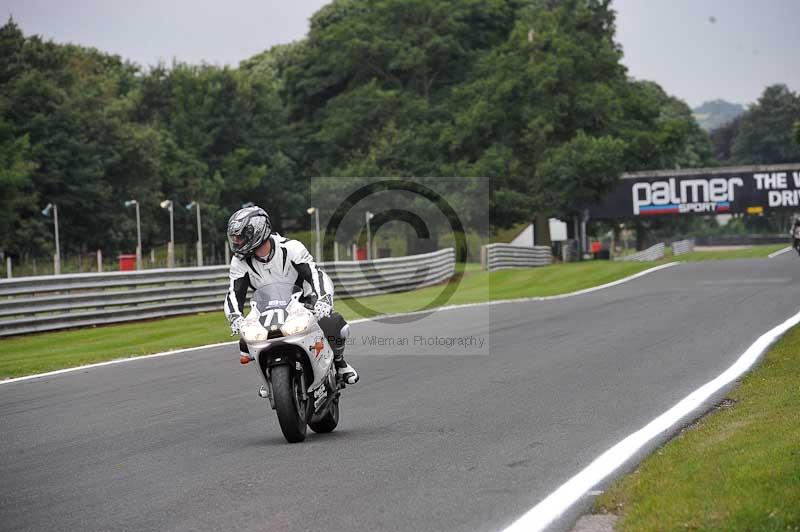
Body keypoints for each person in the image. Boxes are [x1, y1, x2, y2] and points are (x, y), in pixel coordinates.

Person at [223, 205, 359, 384]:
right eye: (235, 238)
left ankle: (339, 363)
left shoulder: (291, 248)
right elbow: (234, 293)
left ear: (257, 231)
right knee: (245, 343)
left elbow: (315, 274)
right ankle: (270, 379)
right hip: (267, 308)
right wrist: (235, 318)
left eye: (241, 237)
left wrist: (323, 299)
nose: (237, 242)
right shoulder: (239, 262)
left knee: (336, 326)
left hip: (304, 301)